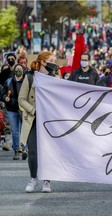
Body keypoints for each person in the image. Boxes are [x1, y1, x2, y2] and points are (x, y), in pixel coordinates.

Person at [19, 51, 59, 193]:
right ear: (43, 62)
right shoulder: (29, 77)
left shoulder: (55, 78)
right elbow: (21, 99)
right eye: (52, 60)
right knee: (33, 152)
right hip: (33, 120)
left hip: (49, 121)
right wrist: (33, 110)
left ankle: (47, 181)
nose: (55, 63)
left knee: (48, 151)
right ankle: (33, 178)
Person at [1, 64, 27, 160]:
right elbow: (2, 94)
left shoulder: (26, 81)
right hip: (12, 109)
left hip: (23, 109)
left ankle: (25, 149)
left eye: (20, 69)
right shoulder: (9, 81)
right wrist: (5, 98)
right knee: (15, 131)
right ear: (14, 71)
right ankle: (16, 150)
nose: (18, 71)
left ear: (23, 71)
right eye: (17, 69)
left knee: (24, 130)